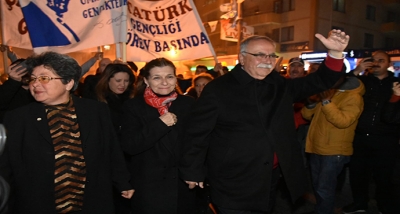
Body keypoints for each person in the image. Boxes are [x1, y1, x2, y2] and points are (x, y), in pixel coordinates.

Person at [179, 29, 349, 214]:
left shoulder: (278, 85)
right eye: (259, 55)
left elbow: (318, 81)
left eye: (271, 55)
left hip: (270, 176)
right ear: (242, 58)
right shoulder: (218, 89)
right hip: (232, 178)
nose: (267, 60)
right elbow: (197, 132)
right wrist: (192, 170)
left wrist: (335, 54)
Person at [0, 51, 134, 214]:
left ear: (69, 83)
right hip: (39, 203)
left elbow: (111, 148)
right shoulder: (18, 118)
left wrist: (123, 182)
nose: (35, 84)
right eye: (33, 78)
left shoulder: (95, 111)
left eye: (44, 78)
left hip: (90, 200)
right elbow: (7, 166)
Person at [121, 58, 197, 214]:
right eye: (157, 77)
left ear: (176, 78)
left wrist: (196, 172)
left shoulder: (189, 104)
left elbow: (198, 143)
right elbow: (130, 146)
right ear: (147, 81)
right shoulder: (133, 107)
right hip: (149, 187)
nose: (164, 82)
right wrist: (160, 125)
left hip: (183, 185)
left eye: (169, 76)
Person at [342, 51, 399, 214]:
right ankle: (360, 203)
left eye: (381, 60)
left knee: (384, 176)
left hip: (386, 139)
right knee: (358, 174)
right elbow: (339, 85)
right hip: (360, 136)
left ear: (388, 64)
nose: (376, 63)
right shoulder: (362, 81)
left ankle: (384, 206)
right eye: (373, 60)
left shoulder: (396, 83)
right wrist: (356, 70)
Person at [301, 76, 365, 214]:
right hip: (317, 146)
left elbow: (343, 121)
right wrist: (310, 102)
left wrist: (325, 101)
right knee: (318, 186)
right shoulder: (330, 92)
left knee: (325, 188)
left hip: (334, 150)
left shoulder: (353, 97)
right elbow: (306, 115)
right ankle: (322, 210)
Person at [95, 63, 135, 139]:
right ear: (107, 80)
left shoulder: (132, 100)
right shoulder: (98, 102)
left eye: (126, 81)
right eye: (118, 80)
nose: (122, 84)